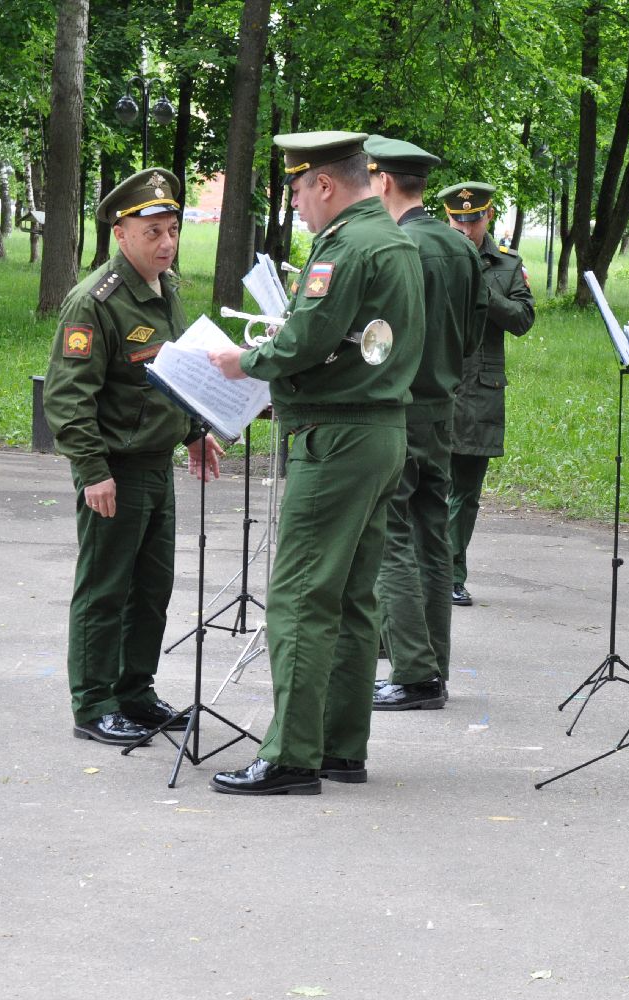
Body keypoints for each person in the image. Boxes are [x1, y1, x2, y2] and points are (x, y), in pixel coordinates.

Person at [207, 131, 426, 796]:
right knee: (353, 599)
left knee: (302, 596)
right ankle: (339, 746)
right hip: (380, 431)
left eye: (298, 190)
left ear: (324, 184)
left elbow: (308, 338)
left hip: (337, 439)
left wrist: (244, 361)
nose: (297, 205)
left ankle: (293, 755)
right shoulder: (392, 238)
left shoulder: (346, 244)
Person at [42, 167, 224, 746]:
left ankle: (135, 693)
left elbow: (176, 372)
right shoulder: (94, 303)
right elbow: (68, 397)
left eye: (173, 230)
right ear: (122, 234)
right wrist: (92, 471)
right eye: (154, 233)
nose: (167, 243)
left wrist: (195, 430)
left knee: (151, 587)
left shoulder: (165, 290)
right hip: (115, 470)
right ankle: (93, 704)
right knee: (105, 588)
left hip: (154, 466)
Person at [364, 136, 486, 711]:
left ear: (383, 182)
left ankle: (413, 670)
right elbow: (474, 326)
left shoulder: (395, 246)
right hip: (444, 406)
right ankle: (433, 665)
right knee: (432, 535)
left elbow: (376, 341)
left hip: (400, 408)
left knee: (390, 531)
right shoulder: (459, 246)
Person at [440, 181, 535, 607]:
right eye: (457, 220)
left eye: (473, 220)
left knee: (465, 489)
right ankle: (428, 571)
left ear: (488, 217)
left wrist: (483, 288)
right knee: (426, 486)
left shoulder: (506, 266)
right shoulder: (431, 254)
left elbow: (522, 319)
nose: (465, 228)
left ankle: (451, 574)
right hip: (435, 385)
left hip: (480, 390)